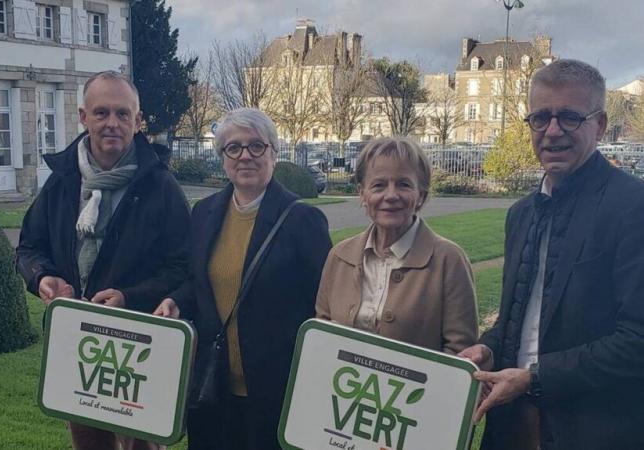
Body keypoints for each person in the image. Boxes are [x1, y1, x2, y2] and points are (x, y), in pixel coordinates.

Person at [459, 59, 644, 450]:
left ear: (601, 124)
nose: (553, 131)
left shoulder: (632, 207)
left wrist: (535, 378)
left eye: (570, 118)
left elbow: (637, 340)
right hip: (511, 426)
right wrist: (489, 347)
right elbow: (519, 320)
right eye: (541, 117)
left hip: (594, 432)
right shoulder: (520, 214)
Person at [16, 71, 191, 450]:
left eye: (122, 114)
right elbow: (29, 247)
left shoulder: (161, 187)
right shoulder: (62, 182)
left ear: (138, 121)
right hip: (77, 345)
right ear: (83, 117)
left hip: (138, 348)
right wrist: (42, 278)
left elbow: (183, 269)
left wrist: (129, 296)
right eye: (101, 113)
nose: (112, 123)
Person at [153, 107, 331, 450]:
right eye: (233, 148)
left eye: (256, 146)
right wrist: (176, 299)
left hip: (275, 388)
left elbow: (324, 304)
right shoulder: (204, 212)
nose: (245, 155)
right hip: (213, 383)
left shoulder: (302, 220)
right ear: (222, 158)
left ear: (274, 154)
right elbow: (199, 280)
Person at [315, 136, 478, 354]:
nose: (391, 195)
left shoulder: (449, 260)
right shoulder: (339, 256)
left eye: (403, 184)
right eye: (379, 185)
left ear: (421, 195)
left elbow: (461, 352)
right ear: (362, 193)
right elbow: (321, 335)